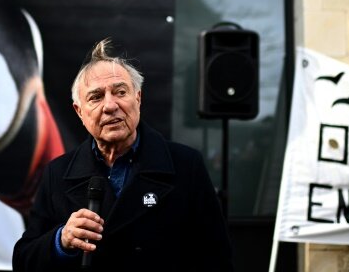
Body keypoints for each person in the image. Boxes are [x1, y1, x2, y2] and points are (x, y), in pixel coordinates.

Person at [12, 38, 234, 271]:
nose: (110, 105)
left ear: (138, 98)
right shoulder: (57, 173)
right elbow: (24, 260)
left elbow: (217, 258)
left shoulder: (186, 165)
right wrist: (61, 241)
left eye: (120, 92)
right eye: (96, 97)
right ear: (79, 112)